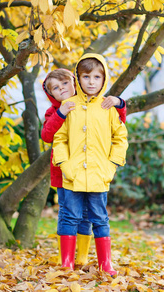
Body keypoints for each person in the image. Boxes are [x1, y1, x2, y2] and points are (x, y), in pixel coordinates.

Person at [41, 68, 126, 267]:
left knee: (89, 215)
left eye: (65, 84)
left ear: (74, 83)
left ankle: (82, 257)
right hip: (65, 174)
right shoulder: (57, 110)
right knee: (69, 213)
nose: (61, 89)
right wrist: (60, 113)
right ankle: (67, 261)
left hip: (94, 172)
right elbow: (48, 136)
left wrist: (120, 103)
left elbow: (118, 123)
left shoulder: (96, 105)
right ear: (50, 93)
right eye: (55, 87)